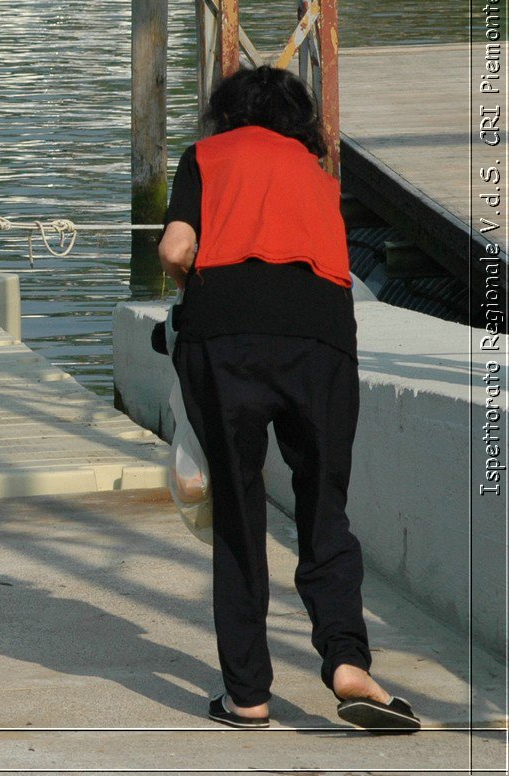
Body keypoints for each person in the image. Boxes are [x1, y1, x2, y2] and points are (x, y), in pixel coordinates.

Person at [159, 67, 420, 734]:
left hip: (226, 338)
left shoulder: (207, 156)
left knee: (240, 513)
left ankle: (247, 695)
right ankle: (348, 664)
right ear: (295, 121)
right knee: (322, 509)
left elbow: (177, 247)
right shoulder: (316, 172)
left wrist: (195, 282)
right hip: (322, 338)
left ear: (227, 114)